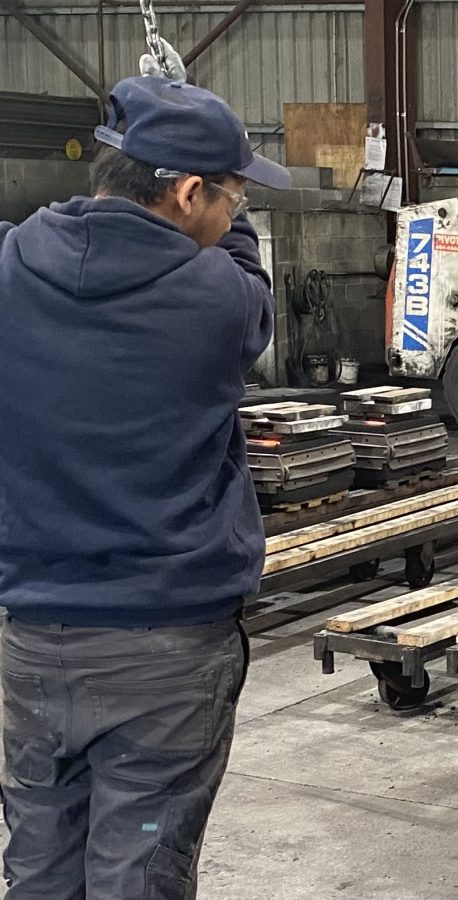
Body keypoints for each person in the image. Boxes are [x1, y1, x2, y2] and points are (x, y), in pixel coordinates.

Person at [0, 68, 291, 899]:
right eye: (233, 196)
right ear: (188, 190)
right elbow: (247, 279)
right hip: (166, 649)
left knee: (40, 861)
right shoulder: (219, 304)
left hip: (36, 637)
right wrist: (231, 228)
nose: (236, 215)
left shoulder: (12, 267)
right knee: (139, 868)